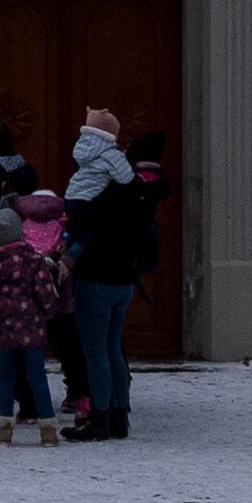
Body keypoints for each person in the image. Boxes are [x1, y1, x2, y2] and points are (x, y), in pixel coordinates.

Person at [63, 111, 157, 440]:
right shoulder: (130, 192)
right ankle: (119, 417)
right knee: (113, 348)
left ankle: (99, 419)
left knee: (95, 352)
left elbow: (80, 227)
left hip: (96, 277)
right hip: (123, 278)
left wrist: (68, 243)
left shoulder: (93, 199)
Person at [0, 192, 71, 443]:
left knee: (6, 377)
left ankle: (5, 428)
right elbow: (45, 291)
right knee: (37, 376)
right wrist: (47, 311)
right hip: (31, 327)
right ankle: (47, 428)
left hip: (1, 328)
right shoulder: (32, 257)